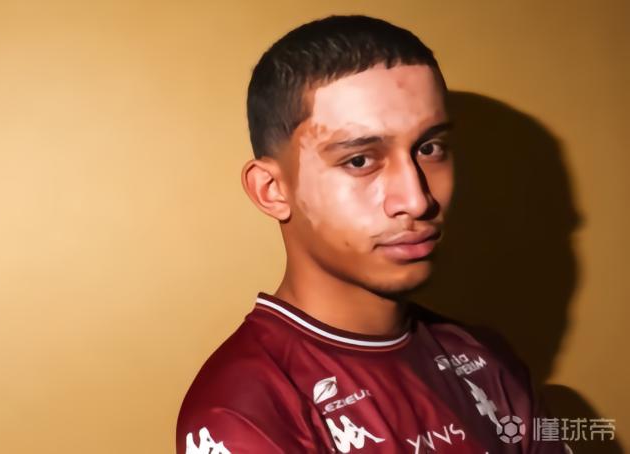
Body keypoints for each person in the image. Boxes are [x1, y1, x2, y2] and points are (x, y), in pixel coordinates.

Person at [176, 14, 568, 453]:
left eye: (430, 148)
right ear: (272, 189)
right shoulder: (242, 412)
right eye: (360, 160)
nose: (416, 200)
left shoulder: (485, 358)